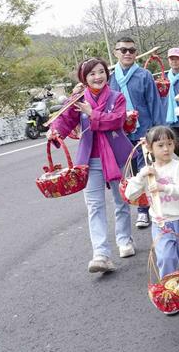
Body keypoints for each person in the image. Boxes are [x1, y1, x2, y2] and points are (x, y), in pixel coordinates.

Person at [49, 58, 135, 273]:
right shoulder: (77, 100)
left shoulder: (117, 97)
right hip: (89, 160)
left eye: (101, 72)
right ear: (84, 79)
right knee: (94, 206)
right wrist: (55, 131)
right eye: (92, 74)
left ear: (107, 74)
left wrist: (91, 113)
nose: (97, 77)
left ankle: (124, 240)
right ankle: (101, 254)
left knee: (121, 200)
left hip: (118, 156)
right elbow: (64, 119)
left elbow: (116, 121)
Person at [124, 126, 179, 285]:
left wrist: (164, 187)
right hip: (161, 222)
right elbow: (130, 195)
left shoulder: (178, 167)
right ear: (149, 148)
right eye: (160, 145)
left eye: (170, 144)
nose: (166, 149)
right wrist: (140, 177)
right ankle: (171, 290)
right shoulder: (147, 172)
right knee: (166, 257)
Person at [109, 37, 165, 229]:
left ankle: (145, 210)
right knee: (130, 172)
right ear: (115, 52)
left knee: (146, 170)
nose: (127, 53)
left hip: (144, 131)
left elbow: (155, 103)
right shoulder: (109, 78)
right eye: (123, 50)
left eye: (131, 50)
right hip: (121, 134)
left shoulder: (144, 75)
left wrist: (158, 132)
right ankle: (137, 204)